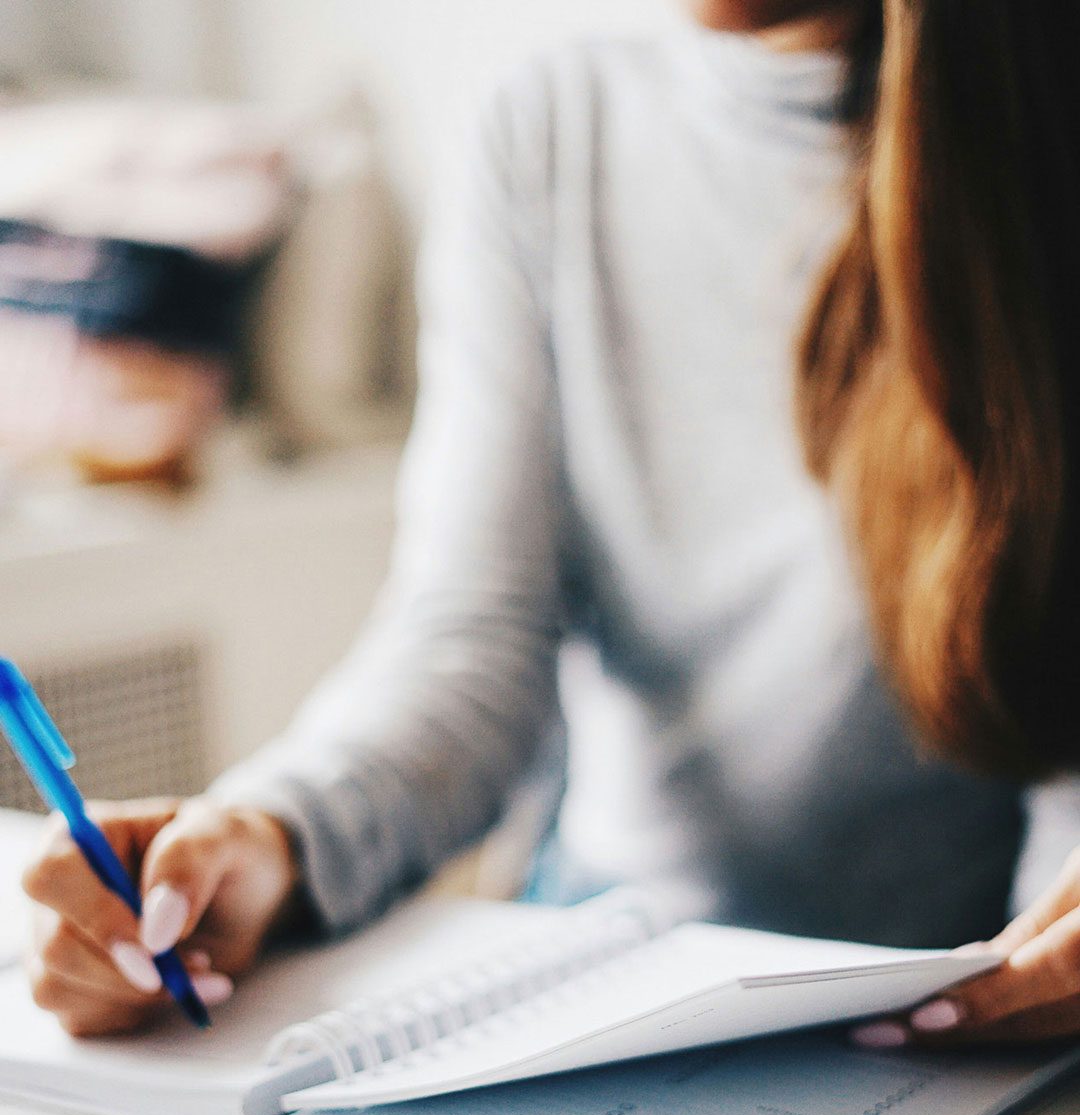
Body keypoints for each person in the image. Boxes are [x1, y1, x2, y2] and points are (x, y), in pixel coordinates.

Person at [21, 0, 1080, 1050]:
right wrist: (267, 836)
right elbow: (474, 641)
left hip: (970, 1039)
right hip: (603, 998)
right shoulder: (553, 126)